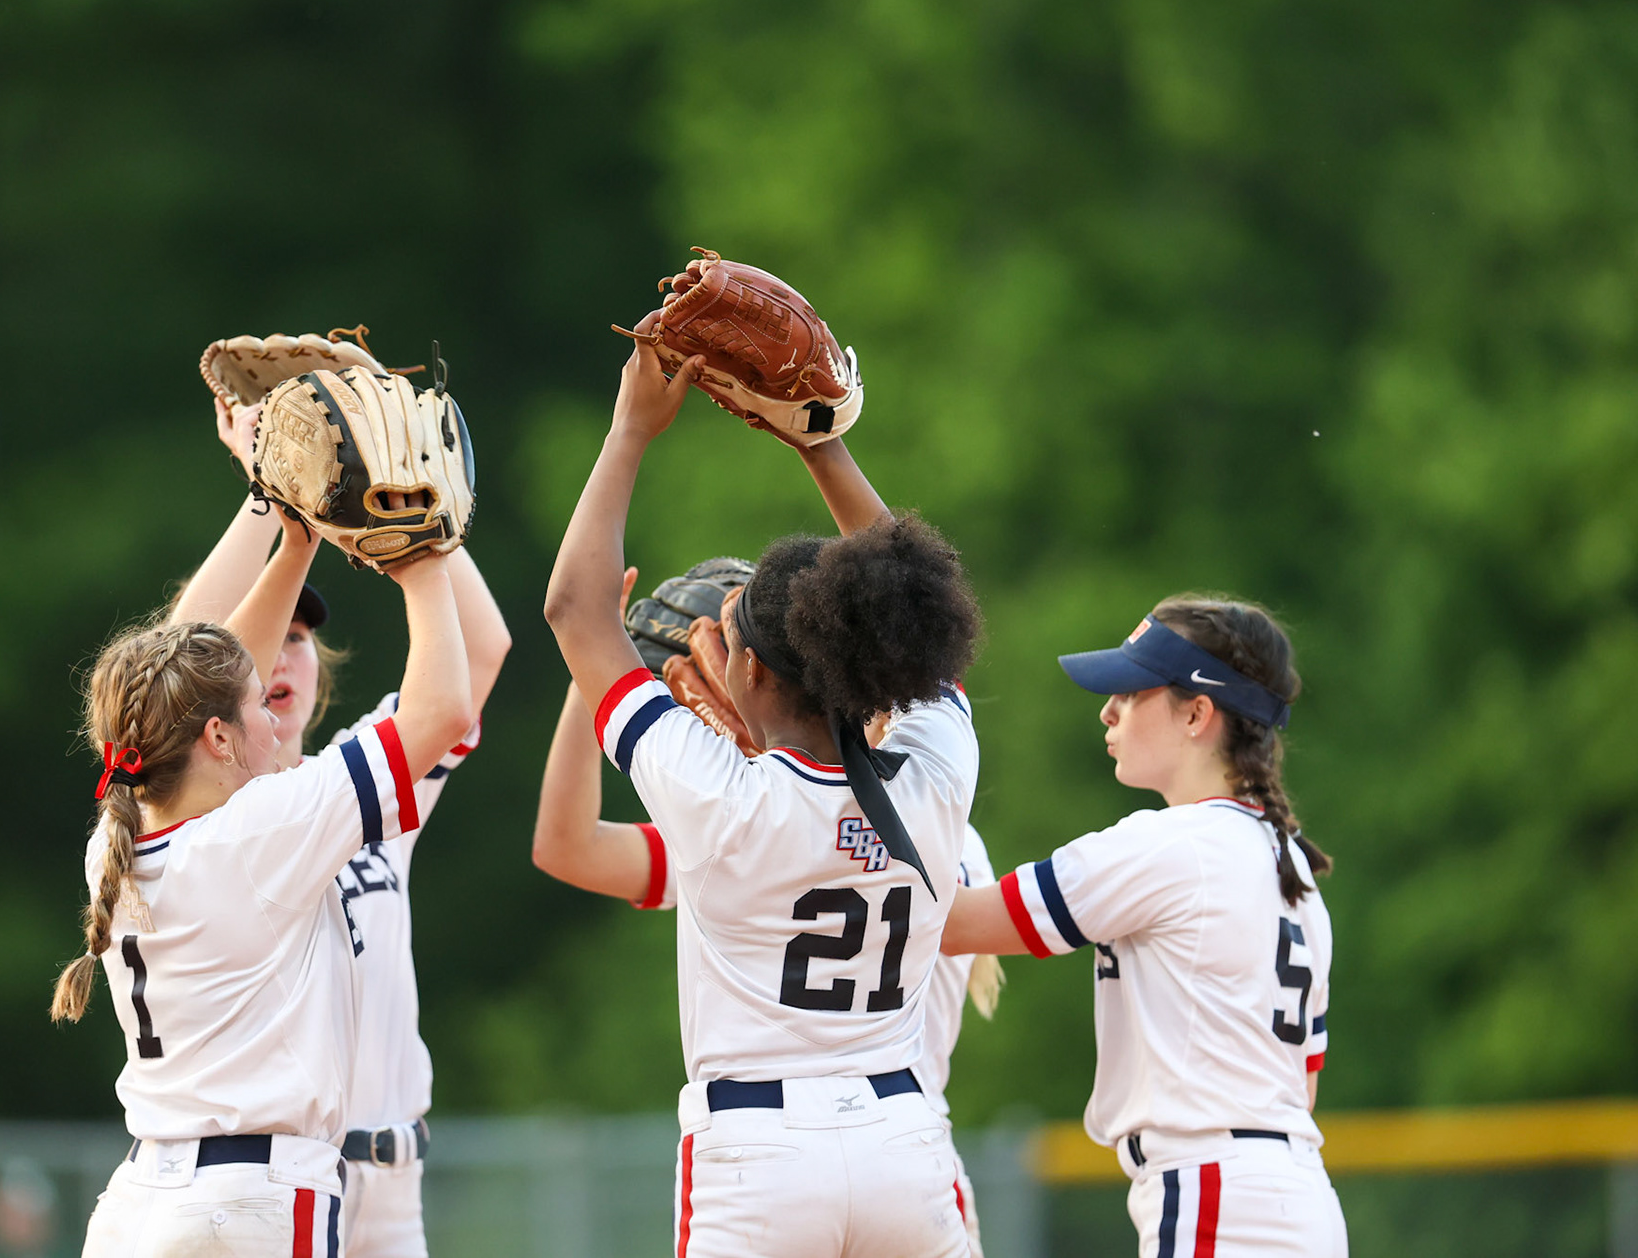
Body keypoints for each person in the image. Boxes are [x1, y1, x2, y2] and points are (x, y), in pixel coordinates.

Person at [542, 345, 984, 1258]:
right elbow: (917, 618)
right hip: (904, 1140)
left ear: (741, 668)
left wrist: (630, 430)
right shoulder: (939, 777)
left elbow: (574, 612)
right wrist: (821, 446)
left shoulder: (717, 797)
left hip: (760, 1153)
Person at [52, 512, 474, 1257]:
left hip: (138, 1204)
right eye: (256, 709)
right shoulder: (261, 833)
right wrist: (422, 554)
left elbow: (189, 683)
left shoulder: (113, 840)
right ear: (216, 738)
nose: (273, 723)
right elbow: (443, 711)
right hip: (249, 1205)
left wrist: (296, 540)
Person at [170, 417, 511, 1258]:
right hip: (276, 1176)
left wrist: (413, 485)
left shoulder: (362, 785)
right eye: (267, 636)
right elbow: (175, 659)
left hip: (392, 1186)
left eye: (300, 639)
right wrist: (266, 495)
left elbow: (484, 651)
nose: (282, 658)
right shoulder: (201, 814)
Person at [943, 598, 1346, 1257]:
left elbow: (957, 926)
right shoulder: (1292, 866)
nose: (1108, 710)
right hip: (1298, 1197)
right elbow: (1302, 1083)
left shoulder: (1172, 846)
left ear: (1196, 713)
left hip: (1216, 1196)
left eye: (1131, 692)